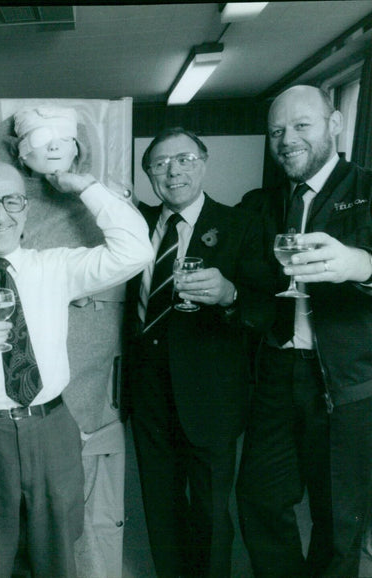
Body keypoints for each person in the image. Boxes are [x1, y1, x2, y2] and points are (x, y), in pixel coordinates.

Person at [0, 161, 153, 577]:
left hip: (51, 430)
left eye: (13, 201)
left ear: (26, 209)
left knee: (57, 559)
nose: (1, 214)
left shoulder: (54, 267)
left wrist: (86, 187)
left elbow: (136, 250)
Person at [0, 104, 132, 577]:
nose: (53, 149)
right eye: (40, 144)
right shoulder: (10, 205)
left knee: (90, 510)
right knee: (29, 515)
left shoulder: (101, 194)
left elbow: (129, 260)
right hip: (36, 385)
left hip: (94, 380)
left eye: (63, 141)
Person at [124, 127, 274, 577]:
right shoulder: (134, 225)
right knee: (161, 512)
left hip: (211, 397)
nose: (173, 171)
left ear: (204, 164)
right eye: (160, 164)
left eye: (184, 159)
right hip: (148, 394)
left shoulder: (240, 224)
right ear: (149, 174)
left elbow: (267, 308)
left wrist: (230, 294)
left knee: (210, 516)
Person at [237, 84, 372, 577]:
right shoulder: (261, 203)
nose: (286, 139)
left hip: (348, 385)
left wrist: (361, 264)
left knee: (338, 519)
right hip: (276, 373)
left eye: (300, 126)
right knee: (259, 500)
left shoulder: (369, 189)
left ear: (335, 125)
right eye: (277, 130)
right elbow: (245, 280)